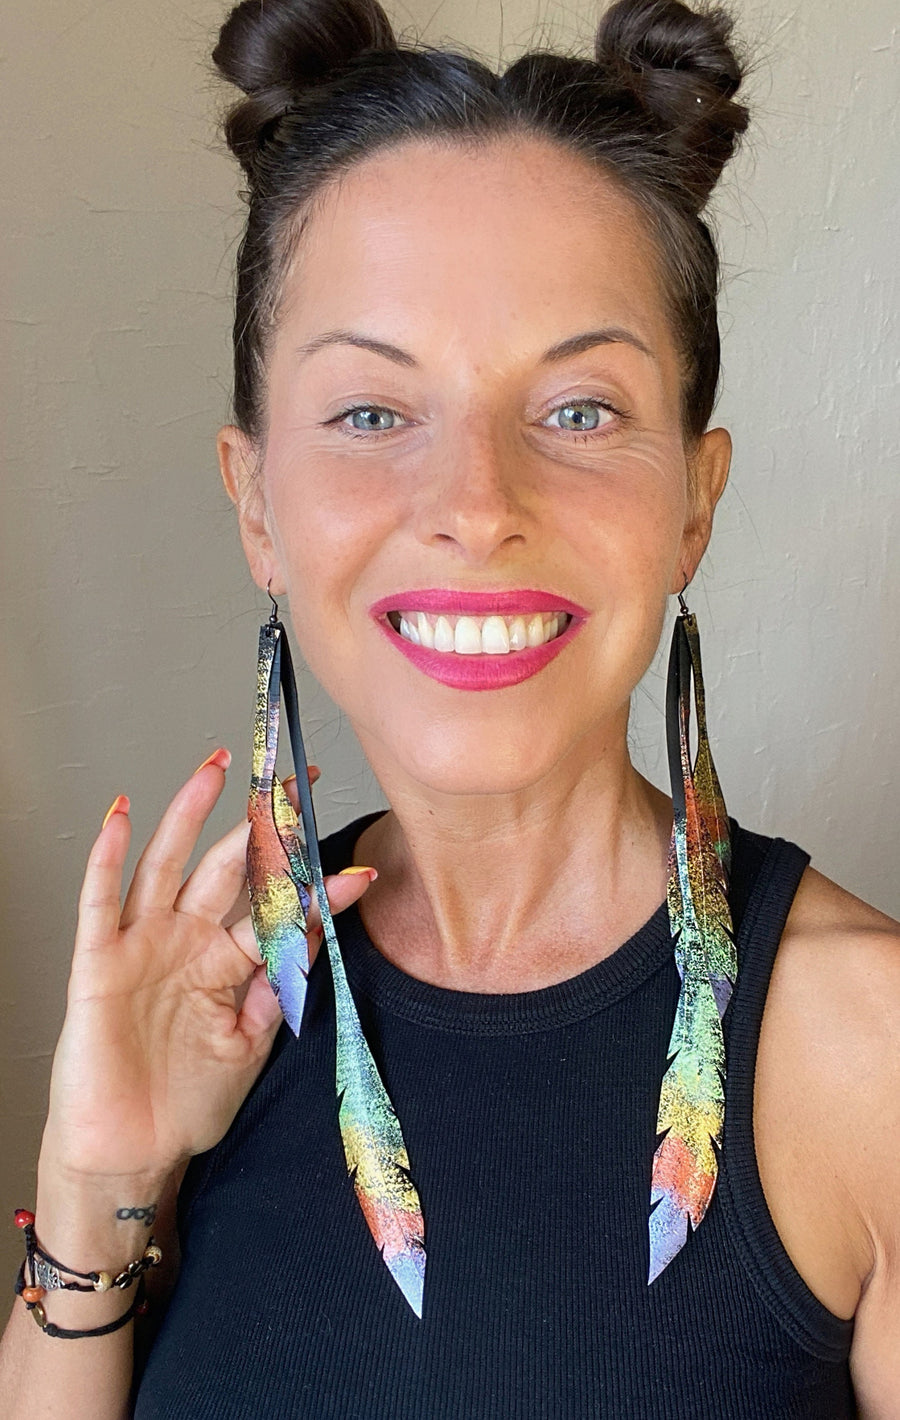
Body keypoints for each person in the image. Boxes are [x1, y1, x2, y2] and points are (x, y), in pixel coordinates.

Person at [1, 0, 897, 1414]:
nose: (477, 507)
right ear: (255, 502)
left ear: (694, 502)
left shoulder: (872, 1052)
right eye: (371, 413)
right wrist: (95, 1184)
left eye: (581, 411)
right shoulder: (208, 1010)